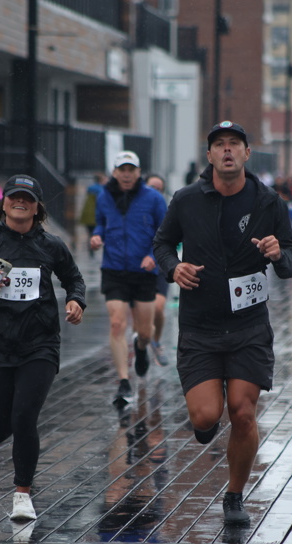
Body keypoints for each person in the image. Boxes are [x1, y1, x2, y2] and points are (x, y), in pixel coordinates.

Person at [152, 121, 292, 526]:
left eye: (235, 144)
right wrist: (174, 267)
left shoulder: (268, 202)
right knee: (204, 418)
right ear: (210, 155)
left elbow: (291, 258)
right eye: (220, 145)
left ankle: (234, 495)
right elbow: (162, 244)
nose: (228, 150)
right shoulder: (186, 200)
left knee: (243, 412)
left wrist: (277, 253)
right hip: (199, 326)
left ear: (247, 153)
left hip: (249, 326)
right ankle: (205, 418)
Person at [0, 174, 86, 522]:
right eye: (14, 196)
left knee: (25, 417)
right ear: (4, 203)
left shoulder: (52, 245)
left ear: (37, 207)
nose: (20, 202)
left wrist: (76, 301)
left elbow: (74, 278)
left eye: (27, 198)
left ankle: (22, 494)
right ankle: (11, 423)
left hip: (40, 344)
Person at [90, 151, 167, 404]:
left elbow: (165, 233)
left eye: (130, 170)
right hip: (113, 270)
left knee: (144, 332)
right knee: (117, 323)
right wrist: (97, 236)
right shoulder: (104, 196)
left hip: (143, 272)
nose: (126, 174)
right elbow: (100, 224)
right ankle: (124, 382)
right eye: (121, 170)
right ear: (114, 172)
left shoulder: (153, 199)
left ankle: (142, 347)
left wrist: (152, 257)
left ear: (138, 172)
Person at [144, 173, 171, 367]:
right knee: (141, 312)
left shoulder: (166, 212)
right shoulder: (135, 209)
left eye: (159, 189)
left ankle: (156, 340)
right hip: (138, 267)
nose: (155, 192)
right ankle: (142, 344)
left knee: (158, 307)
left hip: (160, 266)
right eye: (152, 187)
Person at [78, 173, 107, 257]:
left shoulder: (90, 189)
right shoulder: (102, 191)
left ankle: (91, 251)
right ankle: (92, 250)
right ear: (101, 180)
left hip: (87, 216)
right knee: (96, 233)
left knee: (90, 234)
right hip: (95, 216)